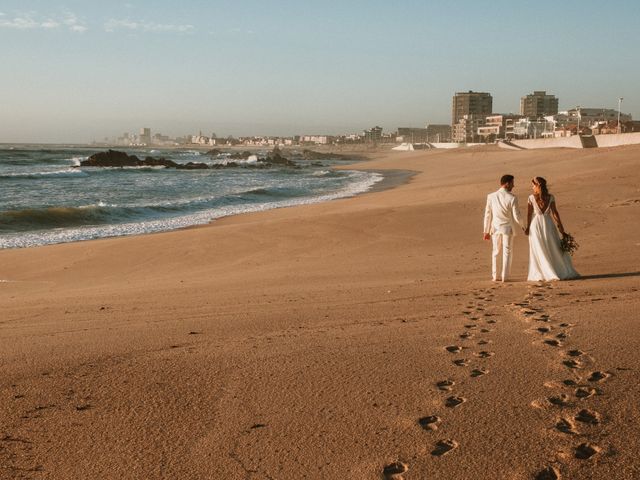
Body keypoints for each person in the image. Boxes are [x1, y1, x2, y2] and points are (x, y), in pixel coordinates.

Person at [524, 177, 579, 281]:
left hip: (536, 225)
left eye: (533, 185)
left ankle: (543, 272)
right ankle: (556, 270)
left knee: (539, 248)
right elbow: (555, 214)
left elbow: (529, 214)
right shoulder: (551, 197)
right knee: (552, 247)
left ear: (536, 186)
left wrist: (527, 227)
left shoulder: (531, 198)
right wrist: (561, 229)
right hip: (548, 224)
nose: (532, 187)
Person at [483, 174, 525, 282]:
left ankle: (495, 276)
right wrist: (524, 226)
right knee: (507, 252)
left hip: (495, 228)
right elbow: (517, 215)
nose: (513, 185)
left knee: (496, 251)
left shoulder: (491, 196)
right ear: (507, 183)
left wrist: (486, 231)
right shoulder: (512, 198)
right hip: (507, 228)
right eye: (512, 183)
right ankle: (504, 277)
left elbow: (488, 215)